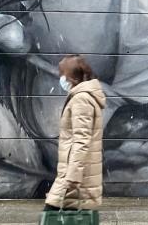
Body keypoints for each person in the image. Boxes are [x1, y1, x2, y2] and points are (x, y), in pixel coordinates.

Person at [43, 55, 106, 211]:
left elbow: (81, 140)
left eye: (62, 74)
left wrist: (72, 178)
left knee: (49, 215)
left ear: (72, 76)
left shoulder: (81, 99)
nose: (61, 78)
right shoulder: (83, 96)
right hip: (78, 176)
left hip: (74, 179)